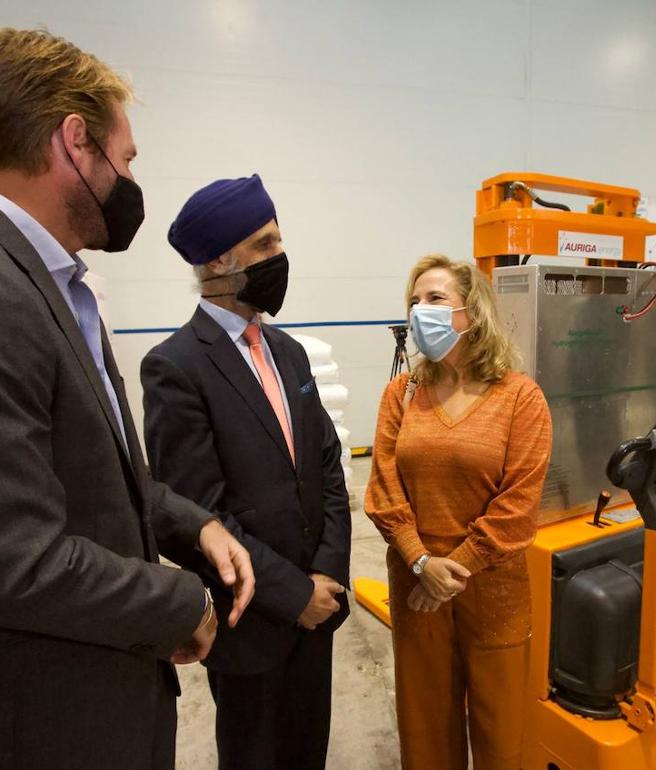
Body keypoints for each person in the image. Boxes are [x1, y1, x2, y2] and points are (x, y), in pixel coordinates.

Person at [0, 29, 254, 770]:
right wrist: (183, 604)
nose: (131, 179)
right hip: (30, 733)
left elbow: (91, 476)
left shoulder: (56, 288)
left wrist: (194, 529)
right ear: (77, 142)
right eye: (126, 158)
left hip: (100, 710)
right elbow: (16, 562)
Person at [141, 176, 352, 770]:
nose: (278, 259)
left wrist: (326, 578)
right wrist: (293, 596)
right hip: (254, 625)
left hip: (318, 612)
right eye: (264, 246)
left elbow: (328, 467)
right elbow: (196, 516)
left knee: (309, 751)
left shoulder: (290, 352)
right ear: (218, 262)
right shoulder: (176, 368)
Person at [364, 254, 552, 770]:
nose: (419, 310)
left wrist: (454, 567)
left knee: (501, 730)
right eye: (414, 300)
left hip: (492, 589)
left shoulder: (520, 398)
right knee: (425, 728)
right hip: (416, 586)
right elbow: (383, 490)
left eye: (435, 299)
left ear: (471, 314)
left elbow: (518, 504)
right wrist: (421, 562)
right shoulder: (401, 394)